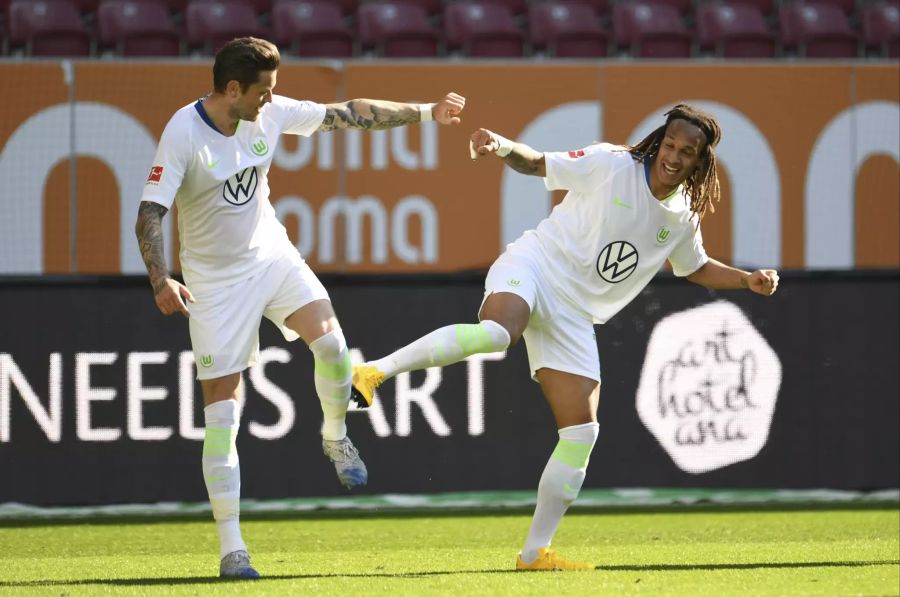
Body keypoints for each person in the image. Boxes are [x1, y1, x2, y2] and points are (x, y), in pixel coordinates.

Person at [351, 104, 779, 571]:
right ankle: (373, 372)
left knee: (581, 432)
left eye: (687, 152)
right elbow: (537, 163)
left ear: (701, 162)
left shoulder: (681, 217)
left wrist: (746, 280)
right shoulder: (612, 164)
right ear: (659, 142)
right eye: (671, 145)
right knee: (498, 334)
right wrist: (500, 146)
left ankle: (534, 554)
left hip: (574, 313)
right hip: (536, 266)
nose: (674, 157)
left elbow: (695, 267)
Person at [134, 37, 465, 580]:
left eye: (274, 90)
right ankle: (232, 549)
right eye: (263, 91)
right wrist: (160, 278)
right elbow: (150, 212)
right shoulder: (183, 133)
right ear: (232, 89)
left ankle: (334, 433)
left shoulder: (270, 110)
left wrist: (429, 112)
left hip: (272, 257)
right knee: (223, 414)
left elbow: (349, 115)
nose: (272, 100)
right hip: (214, 283)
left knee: (332, 343)